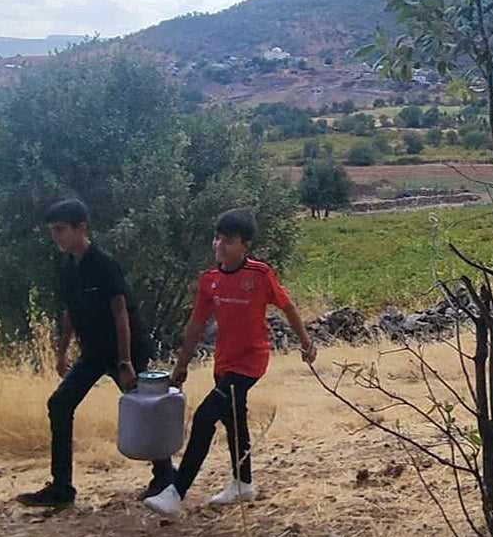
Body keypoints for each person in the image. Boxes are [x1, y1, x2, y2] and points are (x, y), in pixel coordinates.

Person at [144, 208, 314, 515]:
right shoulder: (209, 280)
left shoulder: (259, 275)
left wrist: (306, 343)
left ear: (245, 245)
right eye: (217, 238)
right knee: (234, 420)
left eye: (229, 241)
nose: (219, 245)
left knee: (204, 417)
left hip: (250, 363)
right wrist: (181, 365)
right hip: (223, 363)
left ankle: (176, 492)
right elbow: (196, 325)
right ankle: (243, 483)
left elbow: (287, 307)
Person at [16, 197, 174, 509]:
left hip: (124, 350)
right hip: (93, 352)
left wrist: (125, 362)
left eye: (61, 229)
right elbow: (69, 313)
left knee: (144, 409)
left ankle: (165, 477)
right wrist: (62, 352)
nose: (56, 236)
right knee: (59, 404)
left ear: (81, 228)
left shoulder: (103, 264)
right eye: (53, 230)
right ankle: (62, 488)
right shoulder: (67, 267)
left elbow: (120, 313)